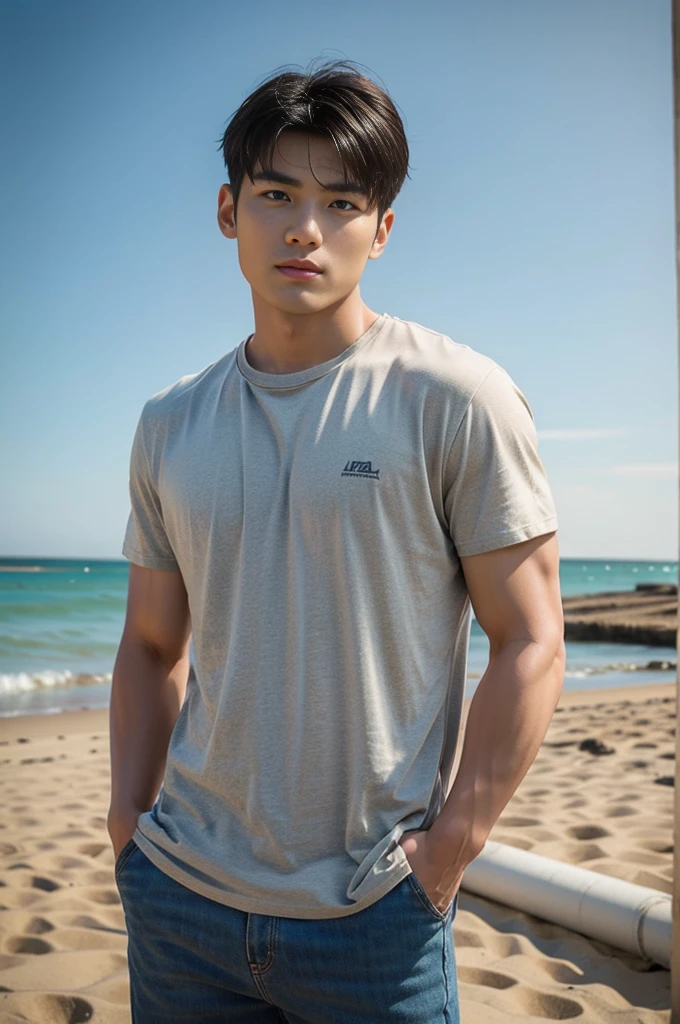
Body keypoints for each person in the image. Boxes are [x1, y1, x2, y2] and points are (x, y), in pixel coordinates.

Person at [108, 57, 565, 1024]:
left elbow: (531, 640)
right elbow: (154, 643)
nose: (305, 229)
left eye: (342, 202)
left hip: (373, 915)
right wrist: (127, 823)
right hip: (180, 901)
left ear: (382, 228)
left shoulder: (455, 398)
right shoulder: (170, 423)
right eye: (276, 194)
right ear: (229, 211)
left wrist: (448, 853)